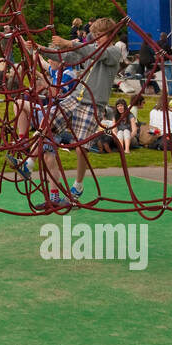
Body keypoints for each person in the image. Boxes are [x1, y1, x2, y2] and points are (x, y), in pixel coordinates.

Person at [17, 17, 123, 207]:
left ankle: (78, 184)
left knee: (81, 147)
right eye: (94, 35)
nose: (95, 38)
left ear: (111, 35)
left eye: (99, 35)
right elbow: (69, 56)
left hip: (93, 104)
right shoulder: (91, 50)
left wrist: (70, 42)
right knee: (47, 123)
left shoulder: (114, 52)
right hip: (76, 97)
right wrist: (39, 48)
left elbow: (97, 52)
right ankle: (28, 165)